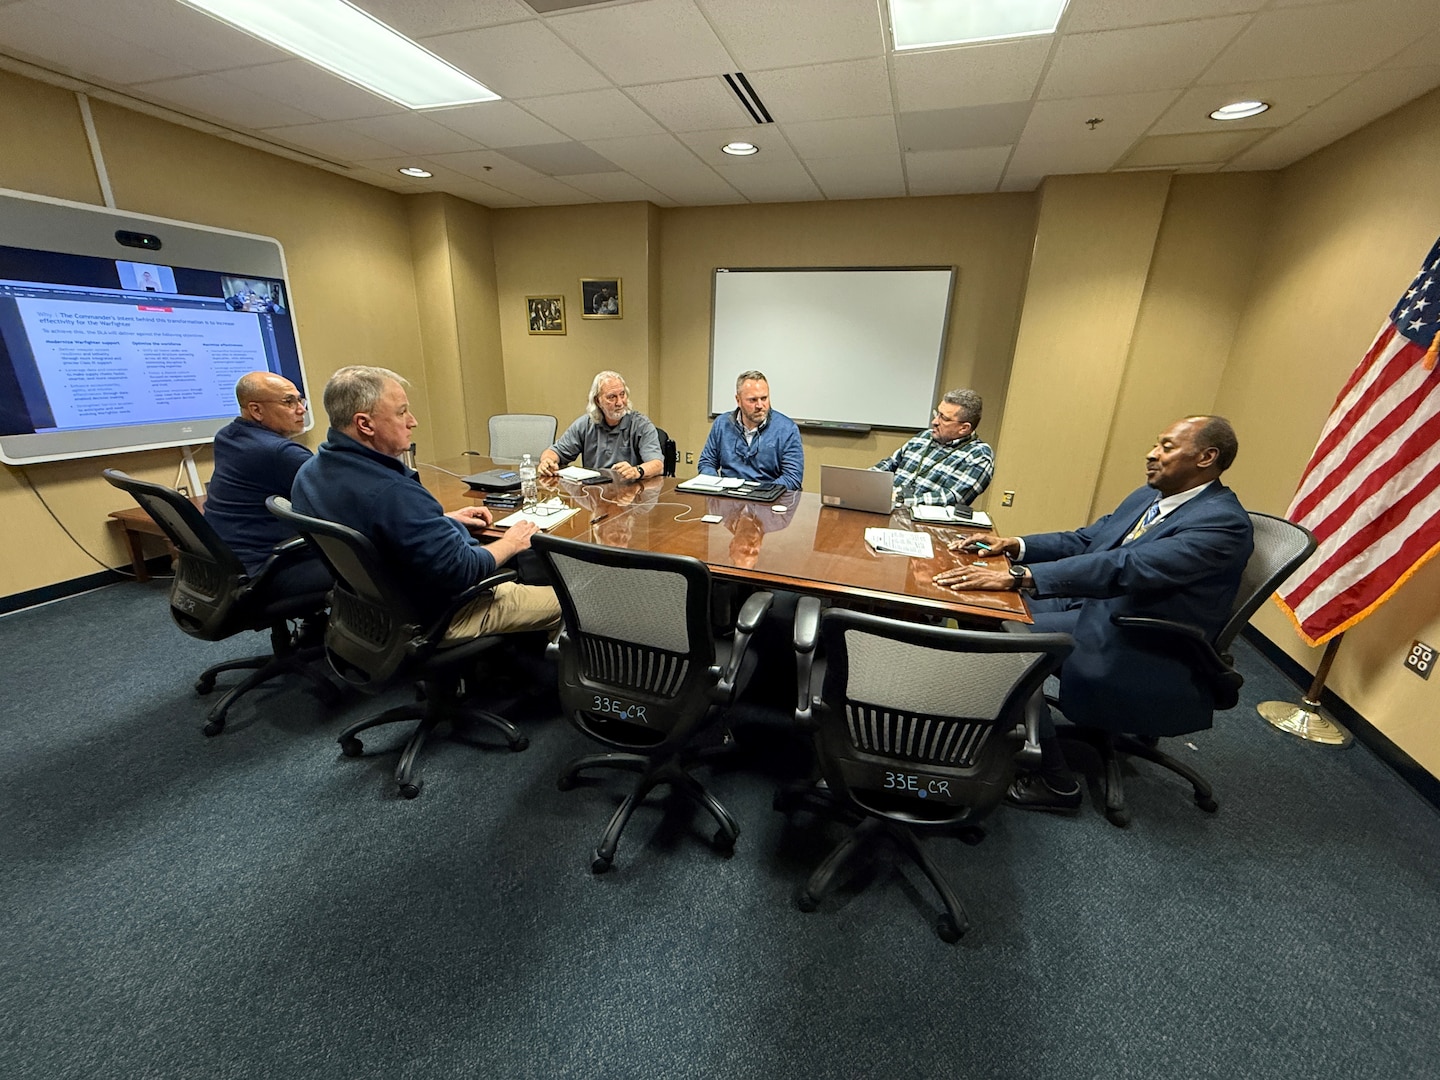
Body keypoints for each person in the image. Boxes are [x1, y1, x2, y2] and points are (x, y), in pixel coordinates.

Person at [934, 416, 1253, 811]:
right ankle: (1001, 728)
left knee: (1009, 644)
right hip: (1099, 603)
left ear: (1206, 457)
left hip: (1141, 631)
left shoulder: (1221, 522)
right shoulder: (1148, 497)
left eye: (1168, 447)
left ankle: (1056, 782)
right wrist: (1014, 546)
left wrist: (1022, 577)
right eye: (1157, 444)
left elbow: (1126, 566)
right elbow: (1089, 540)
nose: (1152, 454)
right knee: (983, 608)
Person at [290, 366, 560, 642]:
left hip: (371, 610)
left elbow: (381, 533)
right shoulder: (393, 493)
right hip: (440, 615)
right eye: (401, 412)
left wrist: (443, 521)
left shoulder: (309, 474)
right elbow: (463, 569)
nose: (413, 421)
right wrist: (512, 542)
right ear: (365, 424)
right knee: (572, 602)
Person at [203, 371, 330, 595]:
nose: (302, 409)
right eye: (289, 402)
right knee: (379, 569)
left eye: (300, 400)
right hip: (266, 567)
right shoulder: (280, 452)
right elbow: (338, 502)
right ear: (256, 410)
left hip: (226, 561)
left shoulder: (227, 435)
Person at [873, 388, 994, 507]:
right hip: (887, 506)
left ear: (964, 428)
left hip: (920, 521)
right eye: (937, 414)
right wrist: (864, 482)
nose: (934, 421)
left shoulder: (978, 455)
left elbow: (952, 498)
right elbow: (891, 463)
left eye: (944, 418)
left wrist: (900, 499)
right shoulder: (925, 437)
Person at [537, 371, 663, 483]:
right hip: (594, 494)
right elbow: (555, 451)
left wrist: (637, 471)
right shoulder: (585, 424)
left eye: (622, 395)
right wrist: (547, 461)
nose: (619, 402)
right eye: (612, 397)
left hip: (630, 495)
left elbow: (657, 464)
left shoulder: (641, 425)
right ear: (598, 401)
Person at [696, 370, 804, 489]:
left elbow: (792, 478)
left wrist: (757, 493)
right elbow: (707, 463)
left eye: (764, 398)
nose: (759, 405)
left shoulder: (787, 429)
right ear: (738, 400)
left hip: (768, 499)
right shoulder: (722, 424)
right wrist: (717, 486)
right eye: (752, 400)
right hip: (728, 497)